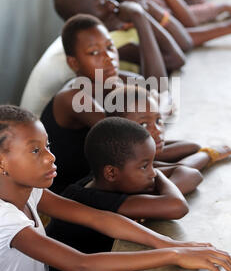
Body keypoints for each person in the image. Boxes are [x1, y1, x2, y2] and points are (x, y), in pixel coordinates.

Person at [0, 105, 231, 271]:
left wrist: (170, 243)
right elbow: (82, 266)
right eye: (36, 150)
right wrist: (174, 255)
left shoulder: (29, 191)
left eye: (47, 146)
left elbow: (100, 218)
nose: (50, 157)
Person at [40, 14, 173, 193]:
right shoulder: (72, 98)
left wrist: (141, 19)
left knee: (179, 161)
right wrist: (158, 111)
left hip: (115, 172)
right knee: (176, 170)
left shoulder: (118, 80)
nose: (108, 58)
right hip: (74, 189)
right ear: (73, 62)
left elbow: (159, 87)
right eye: (94, 52)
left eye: (110, 47)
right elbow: (132, 138)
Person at [20, 0, 184, 117]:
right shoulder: (79, 52)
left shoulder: (93, 45)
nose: (113, 6)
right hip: (44, 144)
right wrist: (139, 17)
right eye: (103, 3)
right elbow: (164, 75)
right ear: (82, 15)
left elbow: (148, 86)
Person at [105, 85, 231, 195]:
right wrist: (209, 153)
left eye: (158, 120)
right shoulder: (127, 167)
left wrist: (154, 146)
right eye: (144, 125)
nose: (157, 130)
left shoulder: (132, 154)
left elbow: (192, 147)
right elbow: (184, 170)